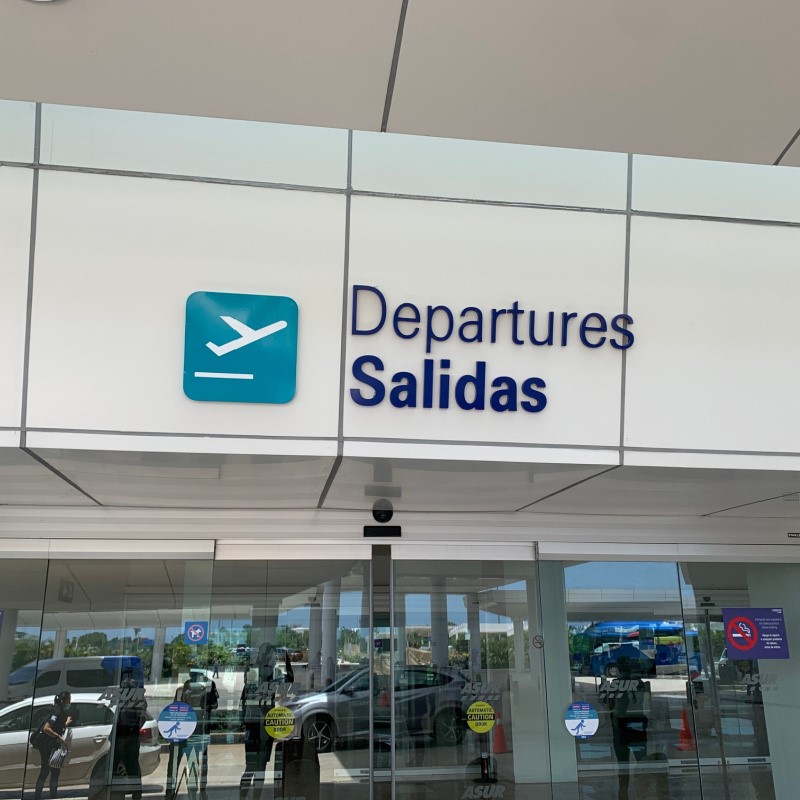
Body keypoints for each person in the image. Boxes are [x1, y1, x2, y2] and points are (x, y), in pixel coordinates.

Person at [110, 673, 148, 800]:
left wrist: (131, 733)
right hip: (119, 736)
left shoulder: (139, 700)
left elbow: (141, 718)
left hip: (130, 737)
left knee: (132, 766)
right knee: (114, 765)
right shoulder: (121, 700)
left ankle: (136, 793)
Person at [33, 691, 73, 800]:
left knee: (55, 770)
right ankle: (38, 796)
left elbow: (57, 726)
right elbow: (46, 728)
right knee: (46, 771)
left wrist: (66, 723)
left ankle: (53, 795)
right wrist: (57, 737)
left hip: (52, 745)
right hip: (47, 746)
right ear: (63, 701)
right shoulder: (55, 712)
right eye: (69, 699)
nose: (70, 702)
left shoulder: (59, 712)